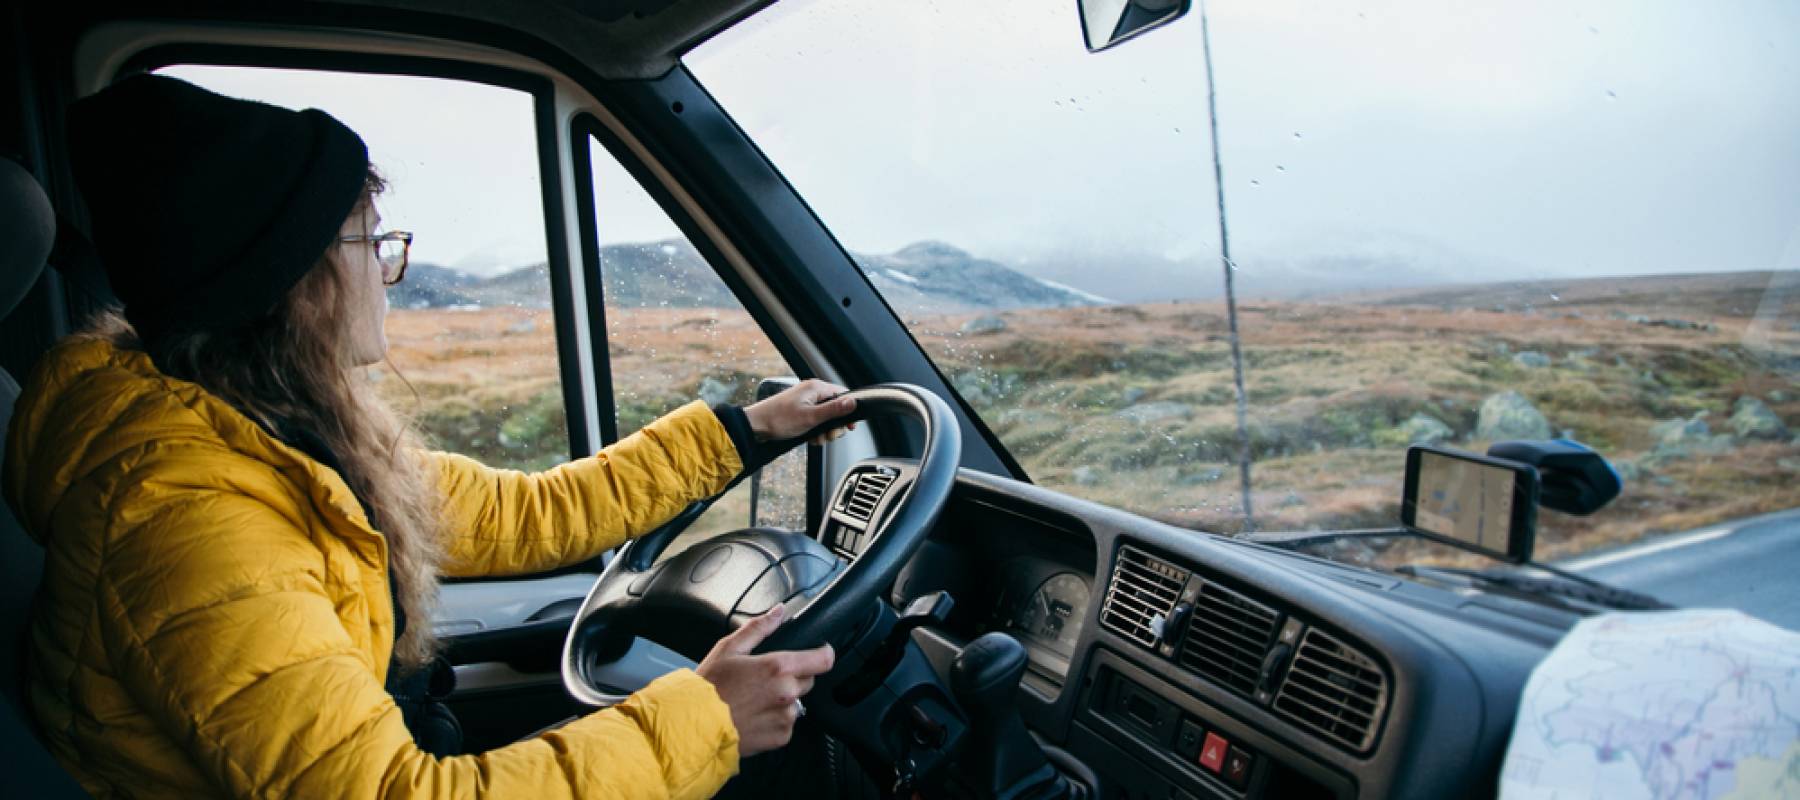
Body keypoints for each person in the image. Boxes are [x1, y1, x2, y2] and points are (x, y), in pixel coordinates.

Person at [2, 74, 857, 798]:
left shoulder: (270, 435)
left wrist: (744, 432)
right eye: (370, 241)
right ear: (294, 279)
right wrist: (706, 719)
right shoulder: (191, 518)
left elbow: (528, 512)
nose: (388, 271)